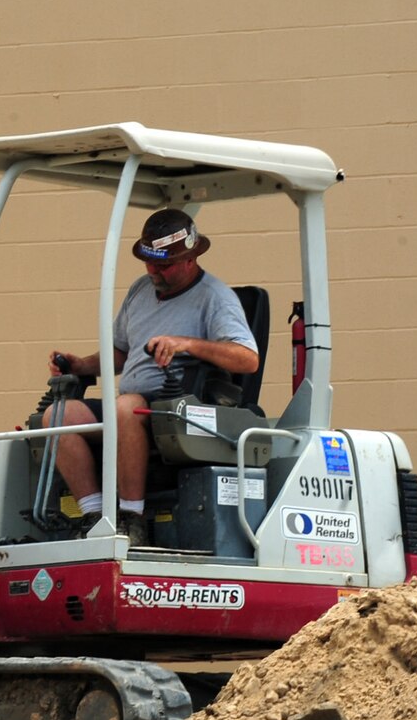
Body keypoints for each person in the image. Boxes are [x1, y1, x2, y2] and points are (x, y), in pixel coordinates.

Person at [46, 209, 260, 544]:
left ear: (190, 258)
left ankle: (132, 518)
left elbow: (247, 359)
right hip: (130, 406)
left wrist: (186, 343)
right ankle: (93, 515)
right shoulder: (140, 290)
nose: (153, 271)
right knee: (58, 415)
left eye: (163, 265)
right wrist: (78, 365)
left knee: (126, 407)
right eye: (149, 263)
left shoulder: (215, 299)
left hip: (179, 408)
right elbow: (121, 352)